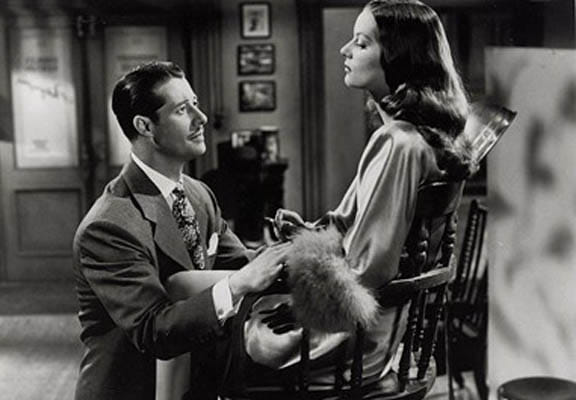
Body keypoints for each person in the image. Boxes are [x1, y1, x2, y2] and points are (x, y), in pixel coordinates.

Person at [271, 0, 478, 386]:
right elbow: (350, 223)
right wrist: (309, 232)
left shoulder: (398, 142)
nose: (345, 50)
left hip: (354, 344)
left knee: (223, 334)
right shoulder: (424, 135)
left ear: (399, 58)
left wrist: (301, 298)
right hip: (383, 332)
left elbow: (368, 270)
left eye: (362, 43)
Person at [72, 61, 289, 400]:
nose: (201, 118)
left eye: (196, 104)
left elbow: (242, 262)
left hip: (191, 385)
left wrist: (297, 248)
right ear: (145, 126)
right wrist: (238, 285)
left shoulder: (199, 195)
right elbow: (153, 330)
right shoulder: (108, 226)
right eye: (182, 110)